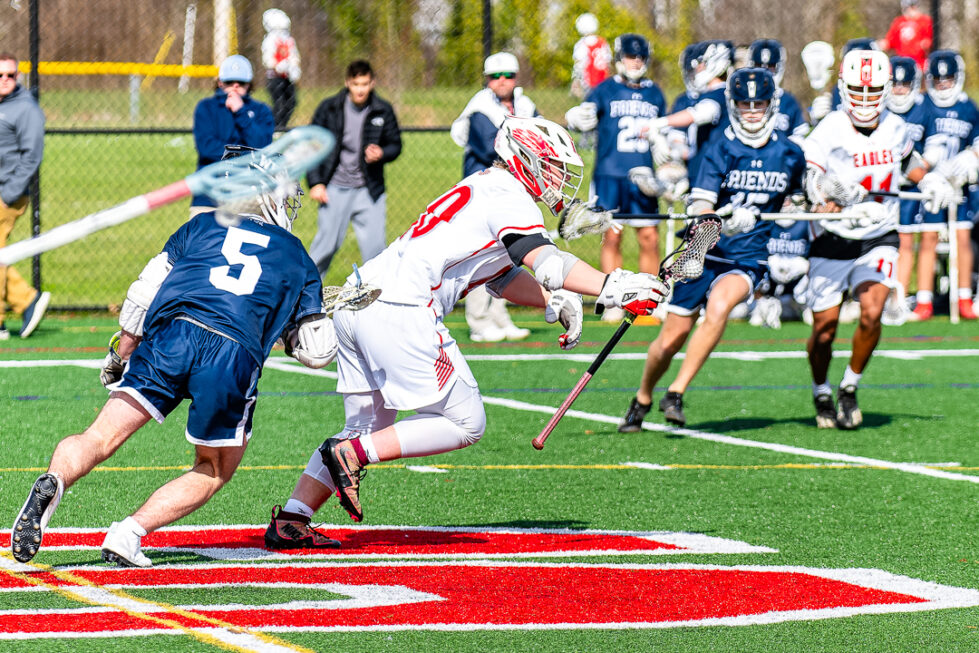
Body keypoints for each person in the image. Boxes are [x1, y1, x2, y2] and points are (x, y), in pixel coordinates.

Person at [264, 116, 669, 542]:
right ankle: (350, 456)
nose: (557, 179)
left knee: (365, 428)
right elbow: (548, 263)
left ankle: (292, 518)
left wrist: (552, 300)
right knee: (465, 421)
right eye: (551, 166)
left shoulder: (484, 186)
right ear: (524, 158)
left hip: (358, 298)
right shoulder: (509, 194)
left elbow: (500, 277)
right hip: (402, 306)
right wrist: (612, 286)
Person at [11, 150, 338, 566]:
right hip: (231, 353)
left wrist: (121, 354)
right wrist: (299, 327)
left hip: (171, 335)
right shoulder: (296, 255)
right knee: (214, 468)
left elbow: (141, 296)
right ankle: (128, 533)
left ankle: (55, 480)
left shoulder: (201, 224)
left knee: (98, 436)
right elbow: (317, 353)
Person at [619, 68, 806, 431]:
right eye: (745, 104)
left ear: (771, 104)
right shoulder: (720, 147)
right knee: (670, 339)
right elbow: (702, 204)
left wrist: (832, 197)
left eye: (759, 103)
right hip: (703, 252)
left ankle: (676, 392)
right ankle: (642, 397)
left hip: (748, 256)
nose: (752, 111)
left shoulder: (789, 152)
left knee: (719, 306)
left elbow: (801, 197)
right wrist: (723, 220)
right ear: (733, 105)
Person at [801, 49, 953, 430]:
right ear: (843, 88)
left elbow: (908, 160)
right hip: (834, 235)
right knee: (824, 330)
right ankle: (821, 389)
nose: (866, 99)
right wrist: (831, 191)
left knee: (872, 313)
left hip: (878, 232)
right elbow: (810, 180)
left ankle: (849, 386)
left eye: (873, 90)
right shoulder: (829, 128)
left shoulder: (896, 126)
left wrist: (930, 179)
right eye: (858, 90)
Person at [565, 34, 667, 323]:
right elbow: (584, 118)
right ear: (620, 58)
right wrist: (576, 117)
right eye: (630, 56)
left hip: (643, 175)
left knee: (649, 237)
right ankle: (613, 300)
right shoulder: (604, 89)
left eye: (640, 57)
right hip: (610, 174)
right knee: (612, 236)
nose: (635, 62)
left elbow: (665, 130)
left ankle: (649, 300)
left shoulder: (655, 93)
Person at [450, 52, 537, 341]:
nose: (501, 81)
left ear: (516, 77)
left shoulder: (525, 105)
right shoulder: (480, 108)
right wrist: (526, 142)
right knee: (481, 253)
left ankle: (500, 315)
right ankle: (479, 321)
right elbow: (493, 148)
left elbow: (542, 138)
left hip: (512, 189)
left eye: (507, 75)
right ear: (487, 80)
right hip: (483, 191)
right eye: (495, 76)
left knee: (506, 253)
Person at [307, 60, 402, 278]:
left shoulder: (382, 110)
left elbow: (395, 145)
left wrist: (382, 153)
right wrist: (316, 183)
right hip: (334, 188)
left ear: (372, 83)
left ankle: (378, 296)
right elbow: (312, 146)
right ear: (347, 83)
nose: (360, 90)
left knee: (376, 252)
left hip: (369, 190)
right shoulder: (330, 108)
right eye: (356, 84)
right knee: (324, 248)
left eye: (365, 84)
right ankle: (307, 294)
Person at [904, 50, 979, 321]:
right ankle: (924, 301)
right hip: (932, 184)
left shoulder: (968, 107)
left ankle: (964, 297)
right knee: (929, 237)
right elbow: (911, 146)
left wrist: (970, 158)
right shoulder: (924, 105)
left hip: (960, 184)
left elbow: (976, 141)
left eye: (948, 79)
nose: (944, 84)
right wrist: (927, 167)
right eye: (938, 79)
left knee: (963, 237)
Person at [0, 52, 48, 340]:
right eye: (0, 75)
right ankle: (26, 300)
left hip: (7, 193)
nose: (5, 80)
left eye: (10, 74)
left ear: (18, 76)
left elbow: (32, 156)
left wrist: (9, 193)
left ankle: (22, 303)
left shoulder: (26, 108)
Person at [191, 55, 275, 215]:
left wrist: (240, 111)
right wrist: (246, 156)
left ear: (249, 84)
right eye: (229, 82)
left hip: (250, 195)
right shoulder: (206, 107)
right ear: (220, 82)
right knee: (201, 229)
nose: (235, 86)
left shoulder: (261, 110)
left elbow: (261, 145)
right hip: (209, 195)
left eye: (241, 83)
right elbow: (207, 147)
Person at [889, 56, 932, 320]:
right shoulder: (879, 110)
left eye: (904, 84)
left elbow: (929, 148)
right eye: (894, 83)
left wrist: (927, 175)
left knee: (905, 242)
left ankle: (899, 298)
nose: (899, 89)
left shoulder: (923, 108)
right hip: (879, 188)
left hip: (909, 187)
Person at [747, 39, 809, 144]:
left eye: (770, 67)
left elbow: (799, 138)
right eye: (759, 66)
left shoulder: (789, 101)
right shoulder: (742, 97)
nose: (764, 71)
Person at [261, 8, 301, 130]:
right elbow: (267, 60)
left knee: (292, 102)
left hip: (288, 78)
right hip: (275, 78)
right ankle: (275, 127)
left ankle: (282, 126)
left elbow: (294, 55)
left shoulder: (289, 40)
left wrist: (294, 68)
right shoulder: (270, 40)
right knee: (279, 104)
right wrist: (277, 65)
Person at [877, 0, 933, 70]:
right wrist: (879, 45)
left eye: (912, 7)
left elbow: (929, 42)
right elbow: (889, 41)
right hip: (901, 61)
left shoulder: (925, 21)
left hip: (919, 62)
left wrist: (924, 45)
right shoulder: (899, 21)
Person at [570, 13, 612, 100]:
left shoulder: (582, 44)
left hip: (590, 81)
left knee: (590, 102)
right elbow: (608, 62)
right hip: (604, 79)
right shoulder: (603, 42)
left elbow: (579, 65)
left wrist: (576, 81)